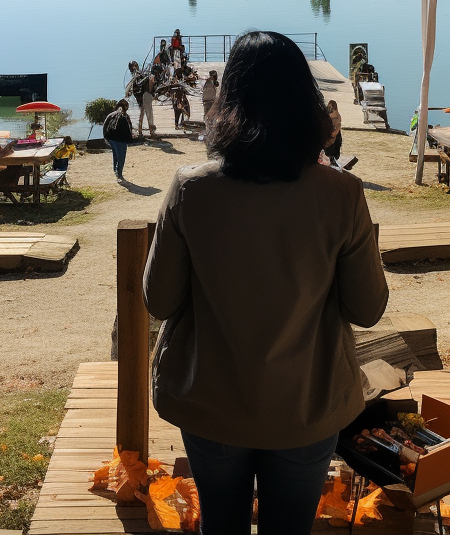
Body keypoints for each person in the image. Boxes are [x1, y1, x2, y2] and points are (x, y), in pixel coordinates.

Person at [144, 31, 388, 535]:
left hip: (210, 399)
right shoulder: (341, 193)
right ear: (308, 104)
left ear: (227, 102)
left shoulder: (192, 190)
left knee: (222, 526)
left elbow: (160, 299)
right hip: (307, 403)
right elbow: (367, 308)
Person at [102, 99, 133, 181]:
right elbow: (130, 128)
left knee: (115, 154)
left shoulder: (111, 115)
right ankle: (119, 173)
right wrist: (130, 139)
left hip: (112, 138)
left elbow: (105, 126)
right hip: (122, 140)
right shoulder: (126, 116)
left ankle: (115, 170)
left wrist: (106, 138)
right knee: (121, 157)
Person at [325, 99, 343, 163]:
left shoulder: (336, 116)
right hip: (330, 137)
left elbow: (336, 128)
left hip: (332, 138)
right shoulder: (335, 115)